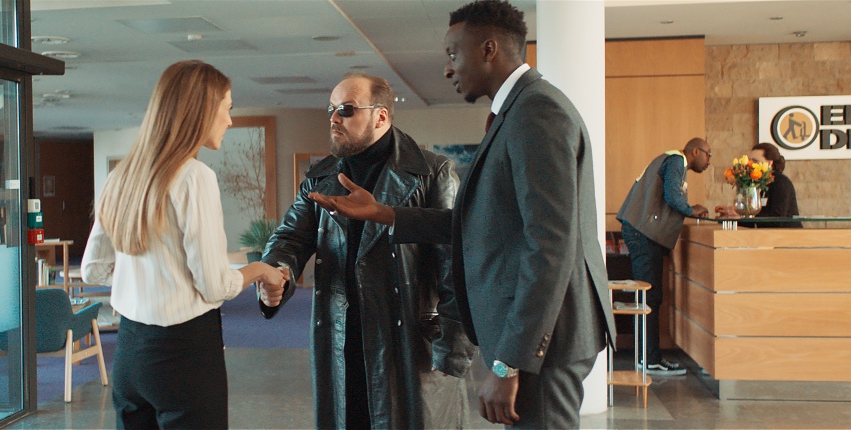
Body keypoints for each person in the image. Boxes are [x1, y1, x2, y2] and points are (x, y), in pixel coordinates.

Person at [308, 2, 616, 428]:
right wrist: (386, 213)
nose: (448, 68)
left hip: (544, 343)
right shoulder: (518, 111)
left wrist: (509, 362)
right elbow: (483, 223)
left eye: (453, 54)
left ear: (489, 49)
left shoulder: (537, 112)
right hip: (538, 339)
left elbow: (550, 246)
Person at [258, 72, 476, 429]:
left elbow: (456, 266)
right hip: (341, 338)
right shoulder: (319, 178)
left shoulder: (431, 173)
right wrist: (278, 270)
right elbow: (290, 239)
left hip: (409, 345)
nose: (334, 118)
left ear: (380, 116)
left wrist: (452, 349)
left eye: (346, 109)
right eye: (331, 109)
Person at [81, 60, 289, 429]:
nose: (229, 120)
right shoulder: (195, 177)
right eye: (226, 108)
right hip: (182, 354)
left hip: (129, 354)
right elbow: (214, 286)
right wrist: (260, 269)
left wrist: (152, 274)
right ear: (202, 110)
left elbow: (92, 271)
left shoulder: (120, 177)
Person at [616, 137, 712, 376]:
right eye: (708, 155)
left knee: (649, 297)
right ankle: (649, 359)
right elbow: (672, 196)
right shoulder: (677, 161)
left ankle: (646, 357)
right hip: (643, 234)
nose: (709, 161)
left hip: (639, 231)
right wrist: (691, 210)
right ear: (696, 151)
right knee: (649, 297)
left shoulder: (670, 158)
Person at [715, 142, 802, 228]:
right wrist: (729, 217)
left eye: (755, 161)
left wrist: (740, 215)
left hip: (787, 234)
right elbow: (754, 221)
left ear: (769, 163)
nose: (750, 165)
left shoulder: (781, 182)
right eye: (750, 161)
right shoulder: (755, 183)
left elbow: (777, 219)